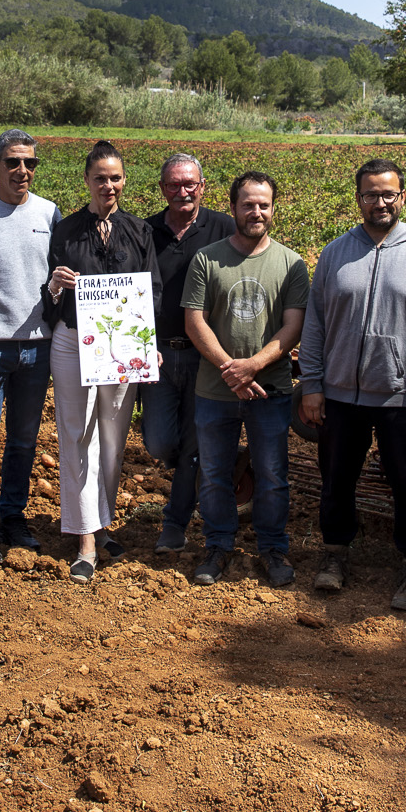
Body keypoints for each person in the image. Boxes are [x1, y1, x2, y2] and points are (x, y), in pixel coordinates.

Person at [297, 158, 406, 612]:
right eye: (371, 194)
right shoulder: (334, 254)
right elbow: (315, 326)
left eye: (389, 194)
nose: (380, 202)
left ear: (402, 197)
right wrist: (312, 384)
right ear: (358, 199)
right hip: (341, 393)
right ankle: (334, 555)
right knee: (337, 480)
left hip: (403, 397)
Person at [181, 171, 308, 588]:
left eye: (264, 205)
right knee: (215, 473)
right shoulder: (207, 258)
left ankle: (273, 548)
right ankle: (217, 546)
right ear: (233, 207)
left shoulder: (290, 263)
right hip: (215, 390)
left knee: (272, 475)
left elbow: (294, 326)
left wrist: (254, 364)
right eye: (248, 205)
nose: (256, 212)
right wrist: (229, 368)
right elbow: (194, 320)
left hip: (269, 390)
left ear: (273, 209)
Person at [44, 140, 161, 583]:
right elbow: (48, 298)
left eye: (115, 177)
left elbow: (153, 291)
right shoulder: (67, 231)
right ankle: (85, 538)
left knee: (113, 437)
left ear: (123, 180)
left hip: (122, 345)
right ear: (87, 181)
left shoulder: (138, 231)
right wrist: (56, 285)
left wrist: (149, 344)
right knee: (77, 435)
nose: (107, 185)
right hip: (73, 341)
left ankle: (102, 521)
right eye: (100, 178)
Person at [0, 129, 62, 564]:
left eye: (30, 163)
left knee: (23, 441)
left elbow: (60, 273)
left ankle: (13, 517)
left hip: (37, 349)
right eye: (14, 162)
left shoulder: (50, 213)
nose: (23, 171)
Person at [143, 153, 235, 555]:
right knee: (161, 443)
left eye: (190, 184)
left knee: (196, 444)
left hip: (206, 355)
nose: (182, 191)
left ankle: (174, 523)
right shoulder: (144, 231)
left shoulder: (224, 228)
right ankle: (191, 478)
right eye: (173, 185)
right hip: (159, 354)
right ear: (162, 189)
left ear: (202, 186)